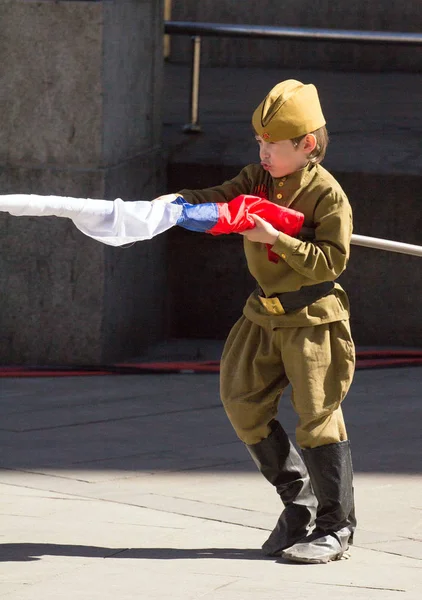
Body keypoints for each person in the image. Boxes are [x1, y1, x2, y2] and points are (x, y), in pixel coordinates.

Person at [152, 79, 356, 564]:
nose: (262, 151)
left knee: (318, 419)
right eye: (259, 142)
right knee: (241, 402)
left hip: (312, 317)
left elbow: (331, 262)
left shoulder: (328, 195)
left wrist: (277, 237)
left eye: (272, 144)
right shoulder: (257, 179)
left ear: (307, 145)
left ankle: (336, 526)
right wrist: (172, 207)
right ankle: (299, 506)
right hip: (262, 313)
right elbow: (218, 200)